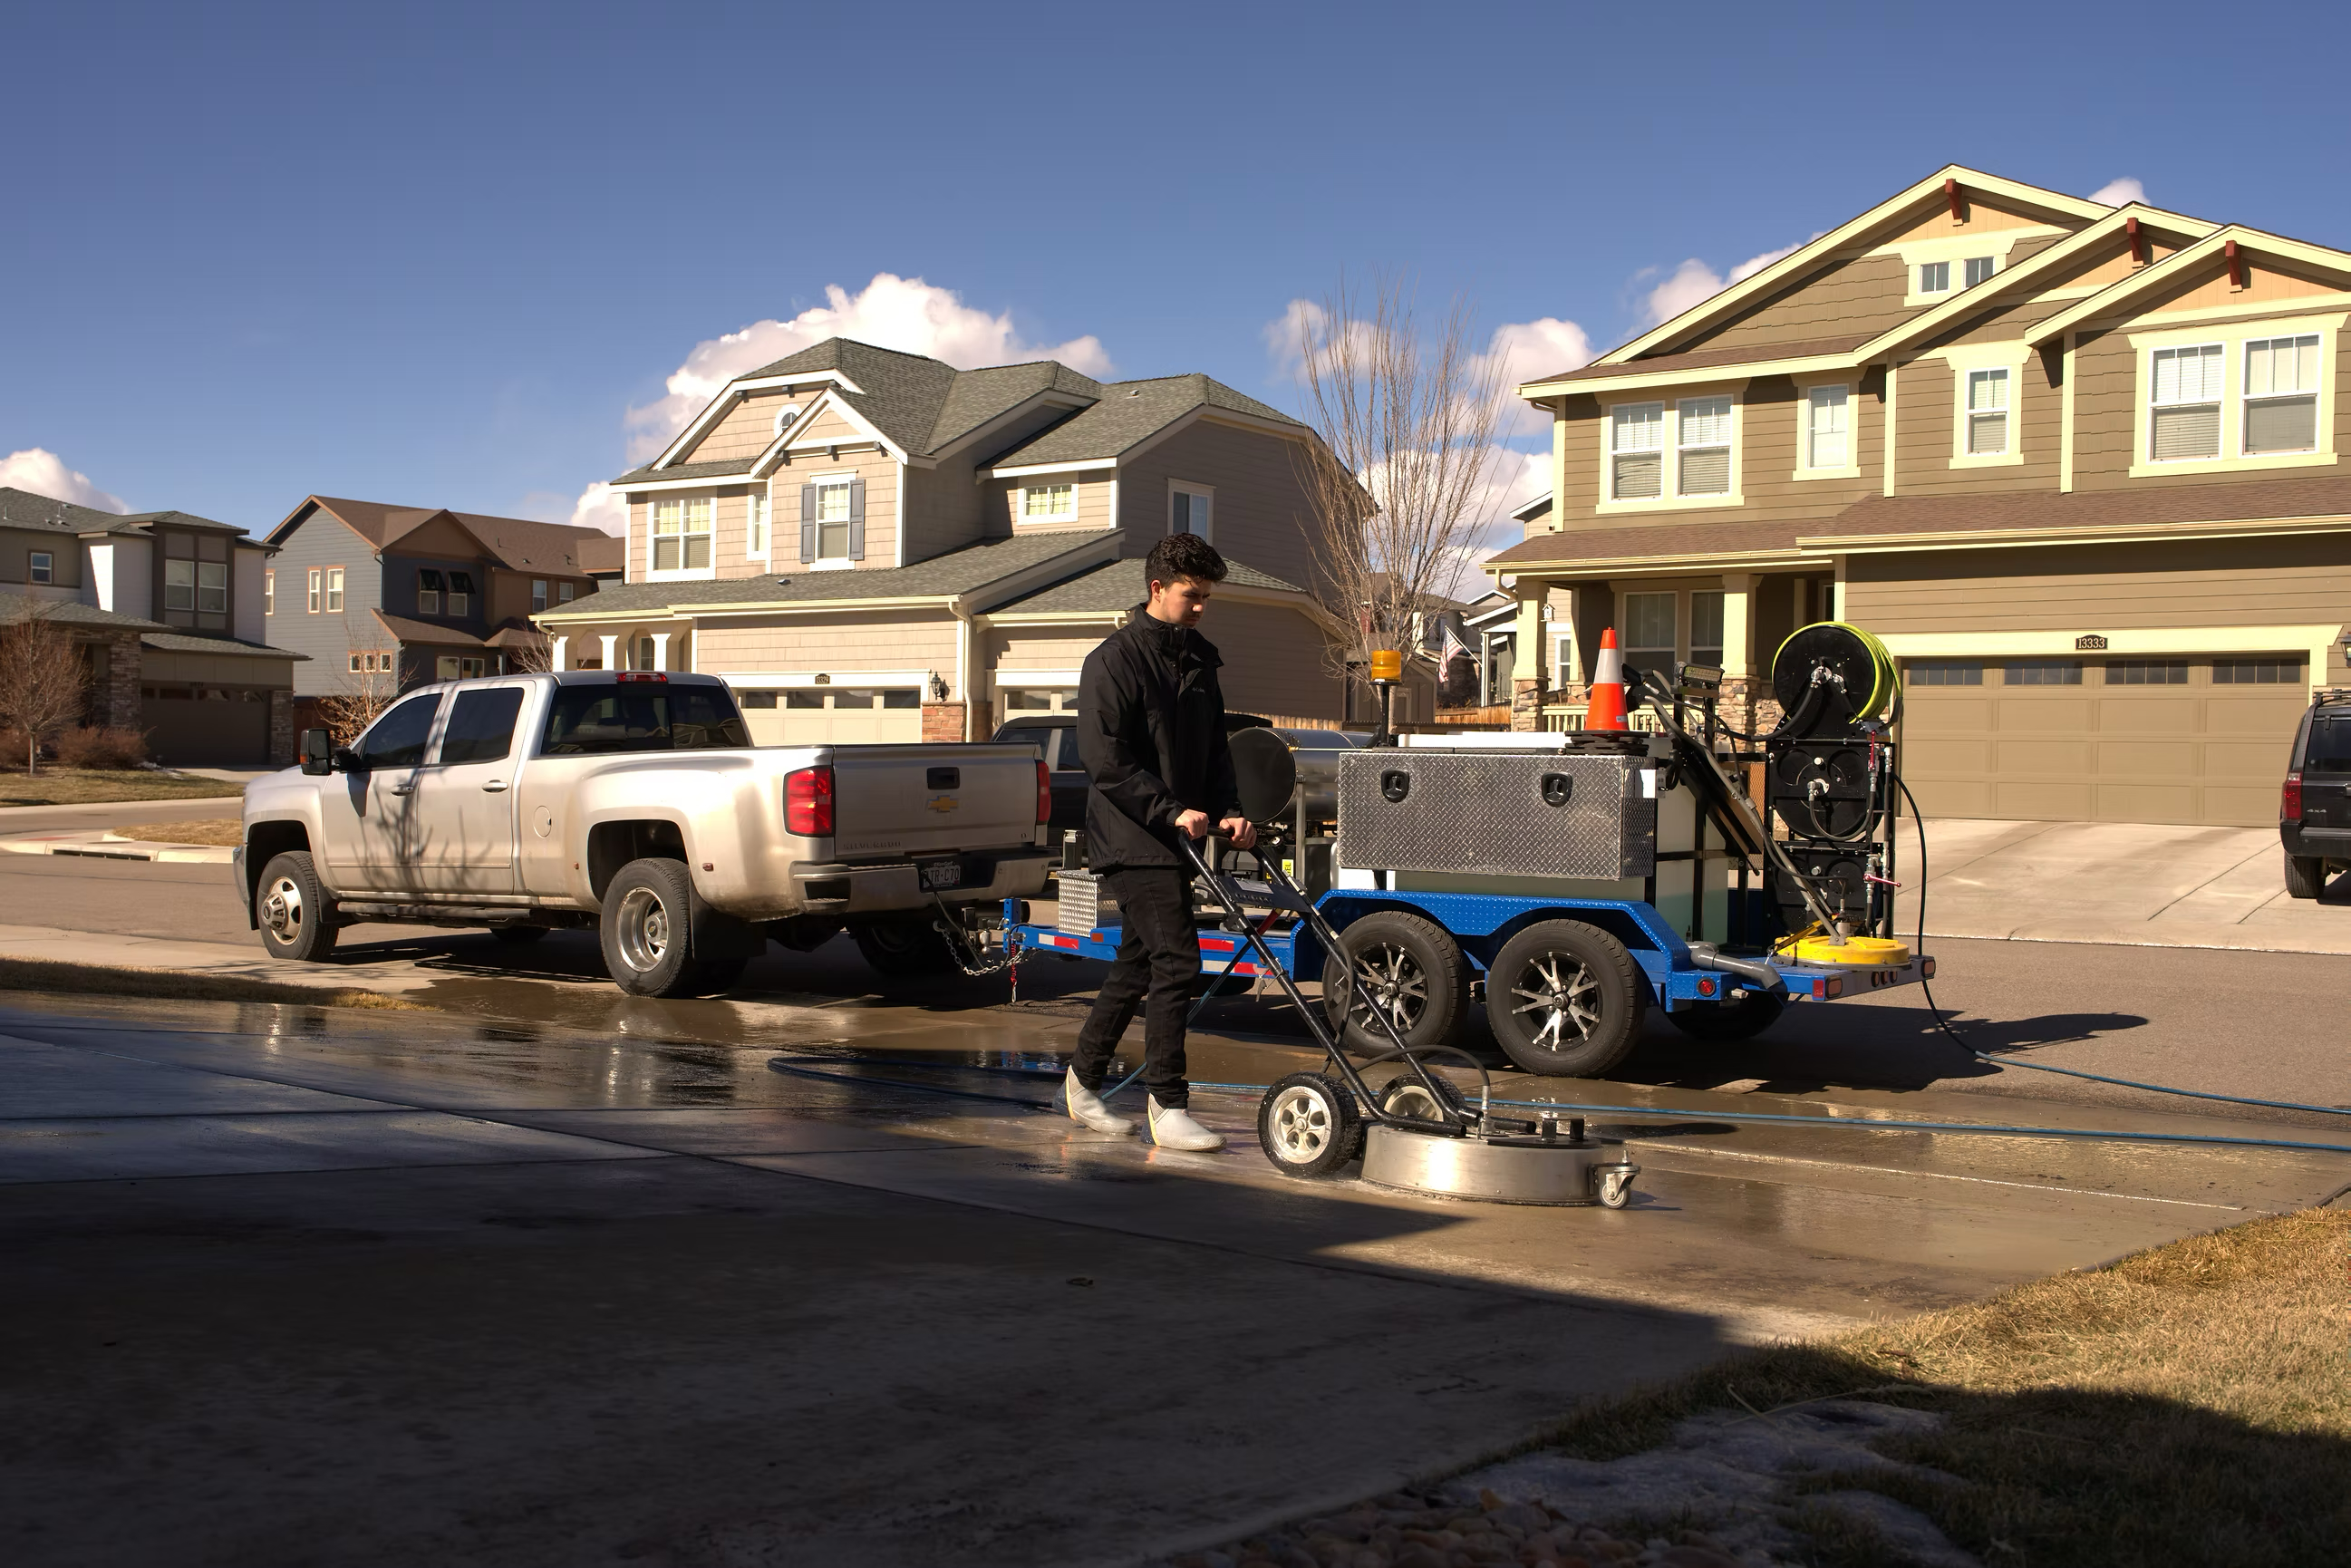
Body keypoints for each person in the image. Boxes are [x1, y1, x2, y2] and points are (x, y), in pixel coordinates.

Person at [1063, 532, 1257, 1151]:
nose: (1199, 607)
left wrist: (1230, 812)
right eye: (1190, 595)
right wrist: (1170, 811)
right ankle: (1168, 1104)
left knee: (1138, 964)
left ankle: (1082, 1083)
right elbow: (1105, 759)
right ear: (1157, 588)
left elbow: (1213, 751)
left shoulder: (1200, 660)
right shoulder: (1114, 660)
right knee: (1178, 960)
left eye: (1206, 597)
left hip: (1176, 835)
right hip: (1130, 833)